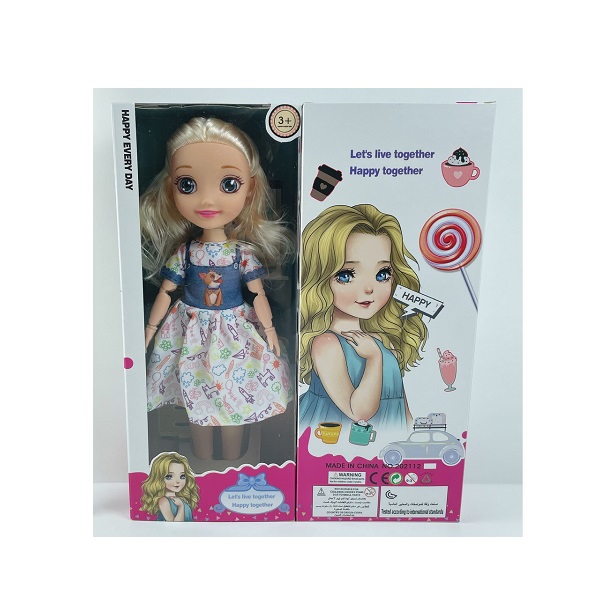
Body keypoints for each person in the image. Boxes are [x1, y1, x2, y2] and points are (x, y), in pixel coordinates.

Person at [140, 117, 293, 461]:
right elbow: (166, 291)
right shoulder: (186, 252)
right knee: (197, 397)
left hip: (234, 331)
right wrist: (150, 329)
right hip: (191, 331)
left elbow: (258, 293)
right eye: (188, 185)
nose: (208, 199)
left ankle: (234, 461)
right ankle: (203, 461)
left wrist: (269, 329)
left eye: (228, 184)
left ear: (250, 189)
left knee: (233, 396)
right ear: (170, 189)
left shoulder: (241, 253)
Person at [298, 204, 428, 440]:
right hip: (339, 443)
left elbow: (401, 406)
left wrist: (413, 439)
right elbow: (359, 413)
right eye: (346, 275)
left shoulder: (382, 339)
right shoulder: (327, 344)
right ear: (320, 278)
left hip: (390, 444)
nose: (369, 288)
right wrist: (374, 359)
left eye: (382, 274)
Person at [140, 452, 199, 522]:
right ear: (159, 478)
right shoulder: (164, 501)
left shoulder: (181, 498)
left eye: (182, 476)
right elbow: (174, 524)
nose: (178, 481)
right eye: (169, 476)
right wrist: (181, 506)